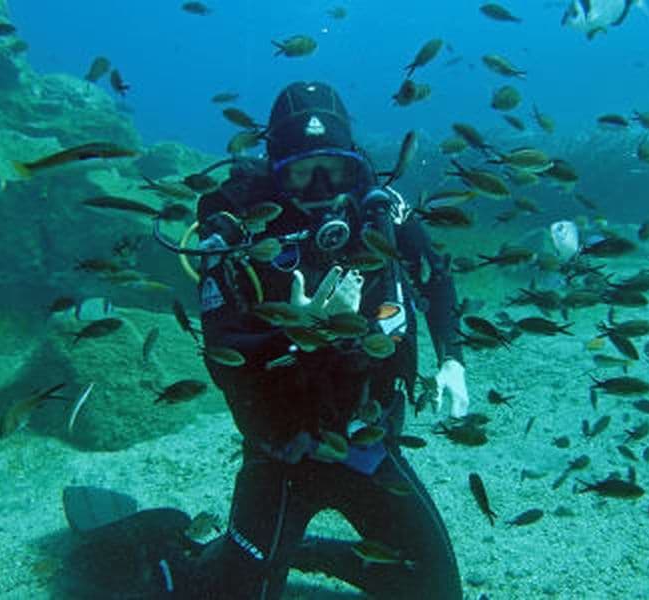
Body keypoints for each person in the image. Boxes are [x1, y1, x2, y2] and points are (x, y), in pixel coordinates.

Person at [169, 81, 469, 599]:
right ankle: (198, 557)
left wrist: (453, 360)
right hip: (282, 450)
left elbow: (435, 278)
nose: (322, 186)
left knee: (438, 592)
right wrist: (295, 334)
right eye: (301, 172)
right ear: (274, 168)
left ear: (355, 162)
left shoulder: (380, 213)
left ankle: (305, 552)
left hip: (364, 443)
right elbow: (222, 355)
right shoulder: (237, 231)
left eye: (335, 168)